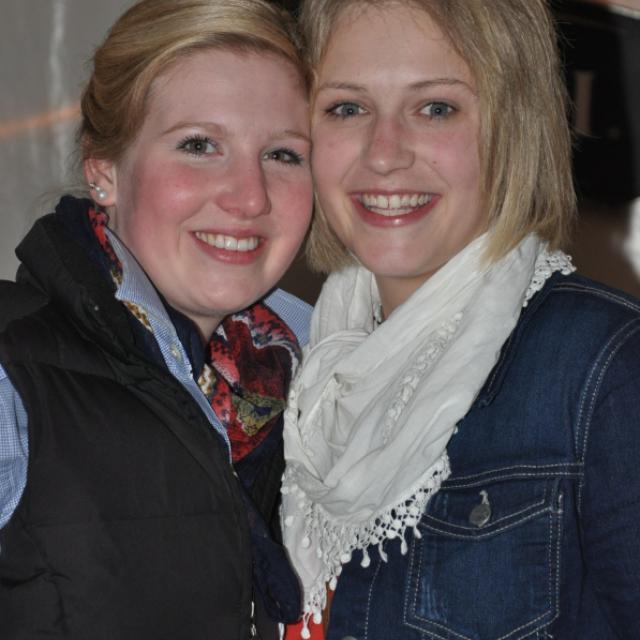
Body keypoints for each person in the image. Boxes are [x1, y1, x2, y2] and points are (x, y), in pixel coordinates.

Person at [282, 1, 640, 639]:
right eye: (348, 107)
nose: (384, 153)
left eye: (435, 108)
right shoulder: (294, 371)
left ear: (513, 127)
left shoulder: (605, 370)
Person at [0, 0, 313, 637]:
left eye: (283, 154)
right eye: (199, 145)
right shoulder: (11, 378)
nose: (249, 196)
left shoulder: (330, 388)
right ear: (104, 169)